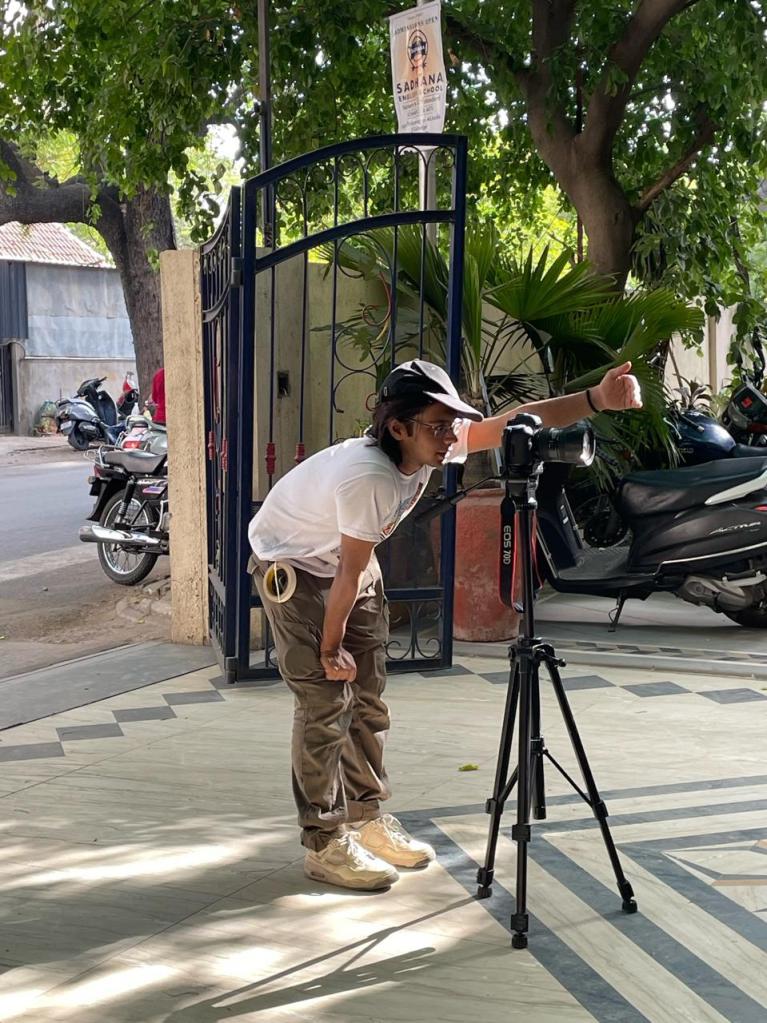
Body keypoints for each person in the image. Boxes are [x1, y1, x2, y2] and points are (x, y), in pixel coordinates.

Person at [248, 358, 642, 891]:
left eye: (452, 423)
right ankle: (324, 841)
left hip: (346, 564)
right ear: (398, 427)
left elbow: (513, 422)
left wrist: (596, 398)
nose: (451, 436)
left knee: (367, 698)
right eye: (439, 425)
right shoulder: (370, 476)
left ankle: (365, 818)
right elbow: (347, 573)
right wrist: (329, 646)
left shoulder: (428, 442)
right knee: (325, 702)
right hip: (294, 564)